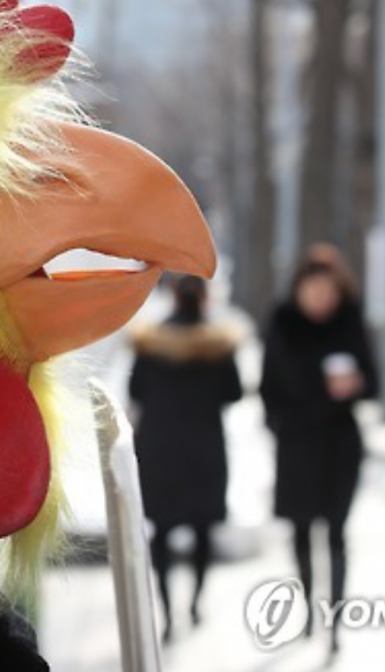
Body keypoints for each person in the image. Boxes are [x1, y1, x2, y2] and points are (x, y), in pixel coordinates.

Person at [260, 248, 378, 654]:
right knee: (301, 530)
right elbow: (267, 388)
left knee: (337, 532)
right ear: (299, 290)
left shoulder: (350, 322)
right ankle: (309, 607)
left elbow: (374, 381)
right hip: (295, 443)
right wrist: (279, 425)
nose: (319, 298)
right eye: (312, 290)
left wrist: (355, 385)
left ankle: (335, 621)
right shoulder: (282, 323)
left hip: (340, 443)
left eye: (327, 290)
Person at [129, 276, 243, 643]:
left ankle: (165, 611)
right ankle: (195, 602)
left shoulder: (149, 345)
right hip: (204, 449)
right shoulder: (220, 346)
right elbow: (235, 393)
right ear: (206, 299)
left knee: (160, 531)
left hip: (160, 449)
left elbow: (136, 391)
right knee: (202, 530)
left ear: (174, 298)